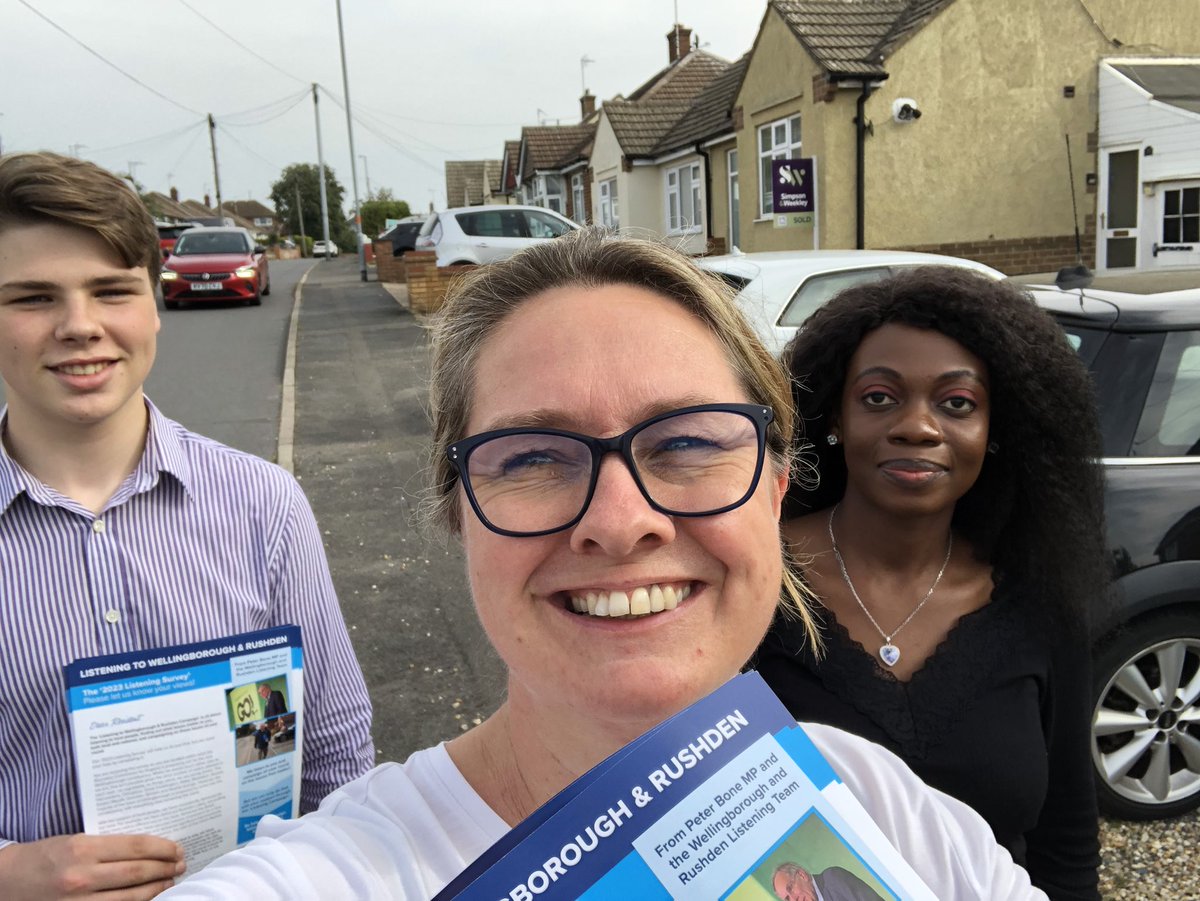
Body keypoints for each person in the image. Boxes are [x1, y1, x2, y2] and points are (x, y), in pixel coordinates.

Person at [160, 230, 1046, 899]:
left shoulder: (875, 797)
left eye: (690, 441)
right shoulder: (346, 871)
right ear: (458, 512)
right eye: (535, 457)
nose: (622, 524)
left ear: (775, 489)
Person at [0, 152, 375, 900]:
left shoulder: (263, 505)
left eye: (112, 291)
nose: (80, 326)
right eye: (33, 297)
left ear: (155, 304)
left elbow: (336, 757)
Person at [755, 267, 1106, 899]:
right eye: (880, 397)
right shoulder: (753, 579)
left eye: (957, 404)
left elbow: (1066, 842)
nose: (918, 426)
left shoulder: (1038, 607)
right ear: (834, 414)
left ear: (996, 431)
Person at [772, 861, 881, 901]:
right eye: (787, 899)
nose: (793, 899)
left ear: (802, 875)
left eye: (790, 888)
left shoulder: (832, 878)